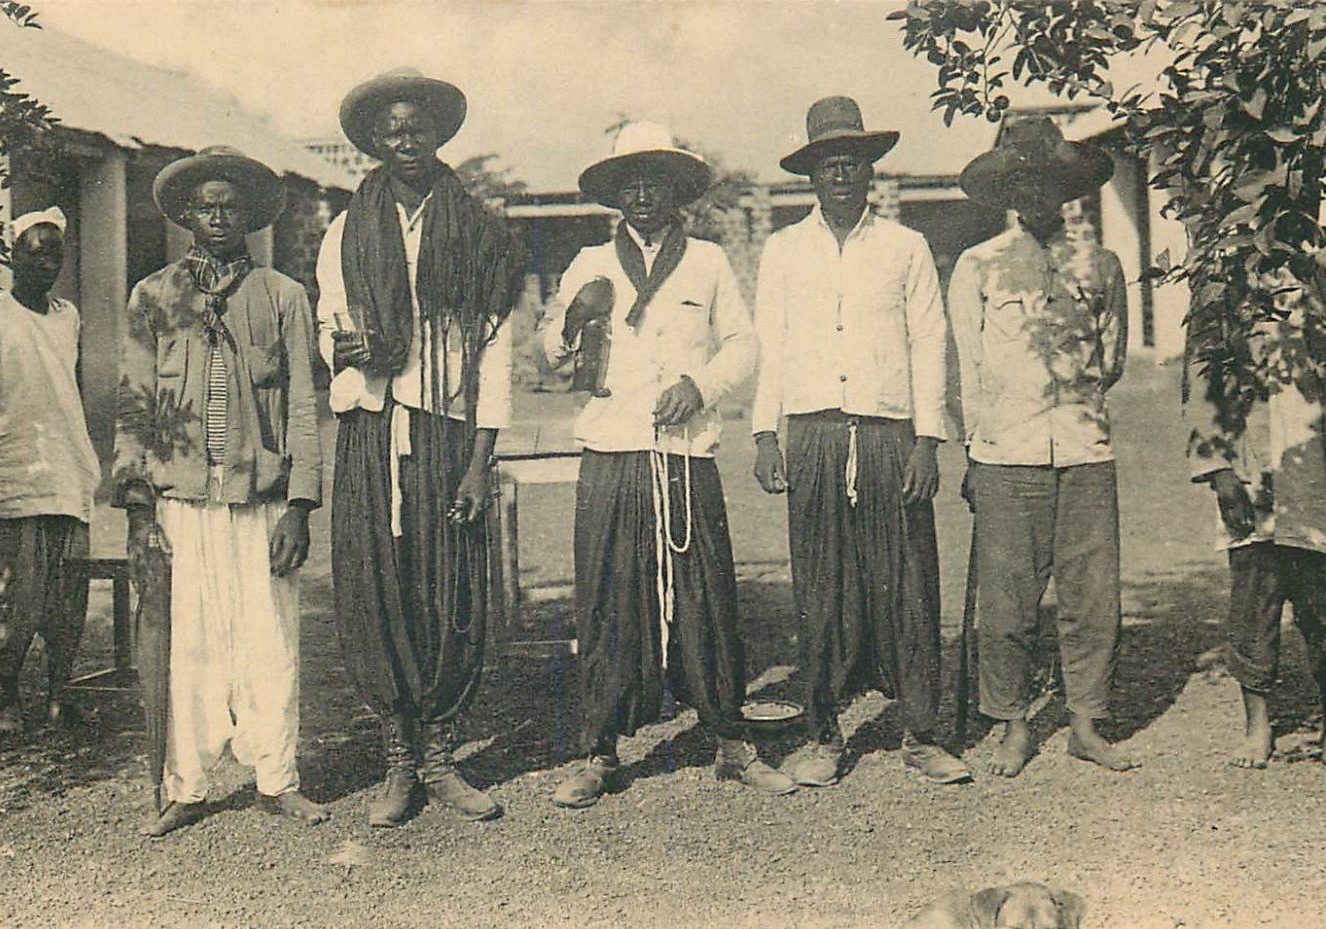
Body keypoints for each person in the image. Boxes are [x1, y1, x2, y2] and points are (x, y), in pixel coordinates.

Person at [540, 122, 795, 808]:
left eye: (656, 180)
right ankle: (598, 750)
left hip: (684, 453)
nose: (644, 193)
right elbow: (549, 352)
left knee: (706, 596)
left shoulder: (707, 261)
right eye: (631, 182)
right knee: (604, 600)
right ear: (616, 194)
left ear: (677, 190)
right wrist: (569, 323)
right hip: (611, 450)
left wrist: (698, 385)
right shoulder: (587, 260)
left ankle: (732, 743)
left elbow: (742, 346)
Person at [316, 70, 523, 825]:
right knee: (379, 588)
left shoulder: (480, 231)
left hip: (444, 430)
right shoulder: (346, 228)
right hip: (372, 427)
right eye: (391, 131)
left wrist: (478, 460)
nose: (405, 141)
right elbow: (325, 325)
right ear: (374, 141)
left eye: (418, 128)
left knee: (449, 587)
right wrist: (346, 348)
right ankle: (397, 762)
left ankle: (441, 757)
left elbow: (495, 350)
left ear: (439, 135)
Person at [751, 96, 972, 788]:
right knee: (819, 586)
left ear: (870, 170)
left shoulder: (904, 247)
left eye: (852, 160)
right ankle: (822, 732)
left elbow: (930, 343)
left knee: (908, 580)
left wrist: (927, 440)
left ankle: (922, 732)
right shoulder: (783, 250)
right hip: (812, 431)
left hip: (887, 432)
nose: (841, 172)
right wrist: (765, 433)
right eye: (827, 161)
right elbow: (772, 347)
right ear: (810, 174)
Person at [114, 146, 327, 837]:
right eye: (205, 206)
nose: (217, 217)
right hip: (180, 500)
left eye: (230, 206)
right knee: (191, 646)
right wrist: (139, 502)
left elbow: (302, 404)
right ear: (184, 216)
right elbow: (135, 402)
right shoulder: (152, 298)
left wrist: (298, 502)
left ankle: (277, 778)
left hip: (260, 500)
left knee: (269, 640)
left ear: (249, 216)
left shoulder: (283, 297)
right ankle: (189, 785)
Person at [947, 115, 1138, 777]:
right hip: (1007, 452)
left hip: (1084, 448)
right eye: (1019, 179)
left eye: (1046, 179)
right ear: (1004, 186)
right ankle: (1012, 724)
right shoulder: (977, 266)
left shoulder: (1101, 264)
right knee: (1006, 601)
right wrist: (975, 448)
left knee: (1091, 595)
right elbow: (964, 367)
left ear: (1066, 185)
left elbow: (1110, 358)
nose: (1034, 191)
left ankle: (1086, 722)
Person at [1185, 262, 1326, 777]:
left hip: (1320, 466)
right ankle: (1258, 724)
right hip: (1255, 464)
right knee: (1254, 597)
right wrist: (1220, 470)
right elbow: (1201, 376)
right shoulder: (1223, 280)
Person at [0, 207, 100, 734]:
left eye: (55, 252)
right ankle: (9, 702)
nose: (47, 263)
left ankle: (59, 695)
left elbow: (61, 388)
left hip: (66, 471)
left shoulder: (67, 316)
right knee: (13, 594)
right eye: (36, 253)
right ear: (13, 258)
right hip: (10, 471)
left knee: (66, 593)